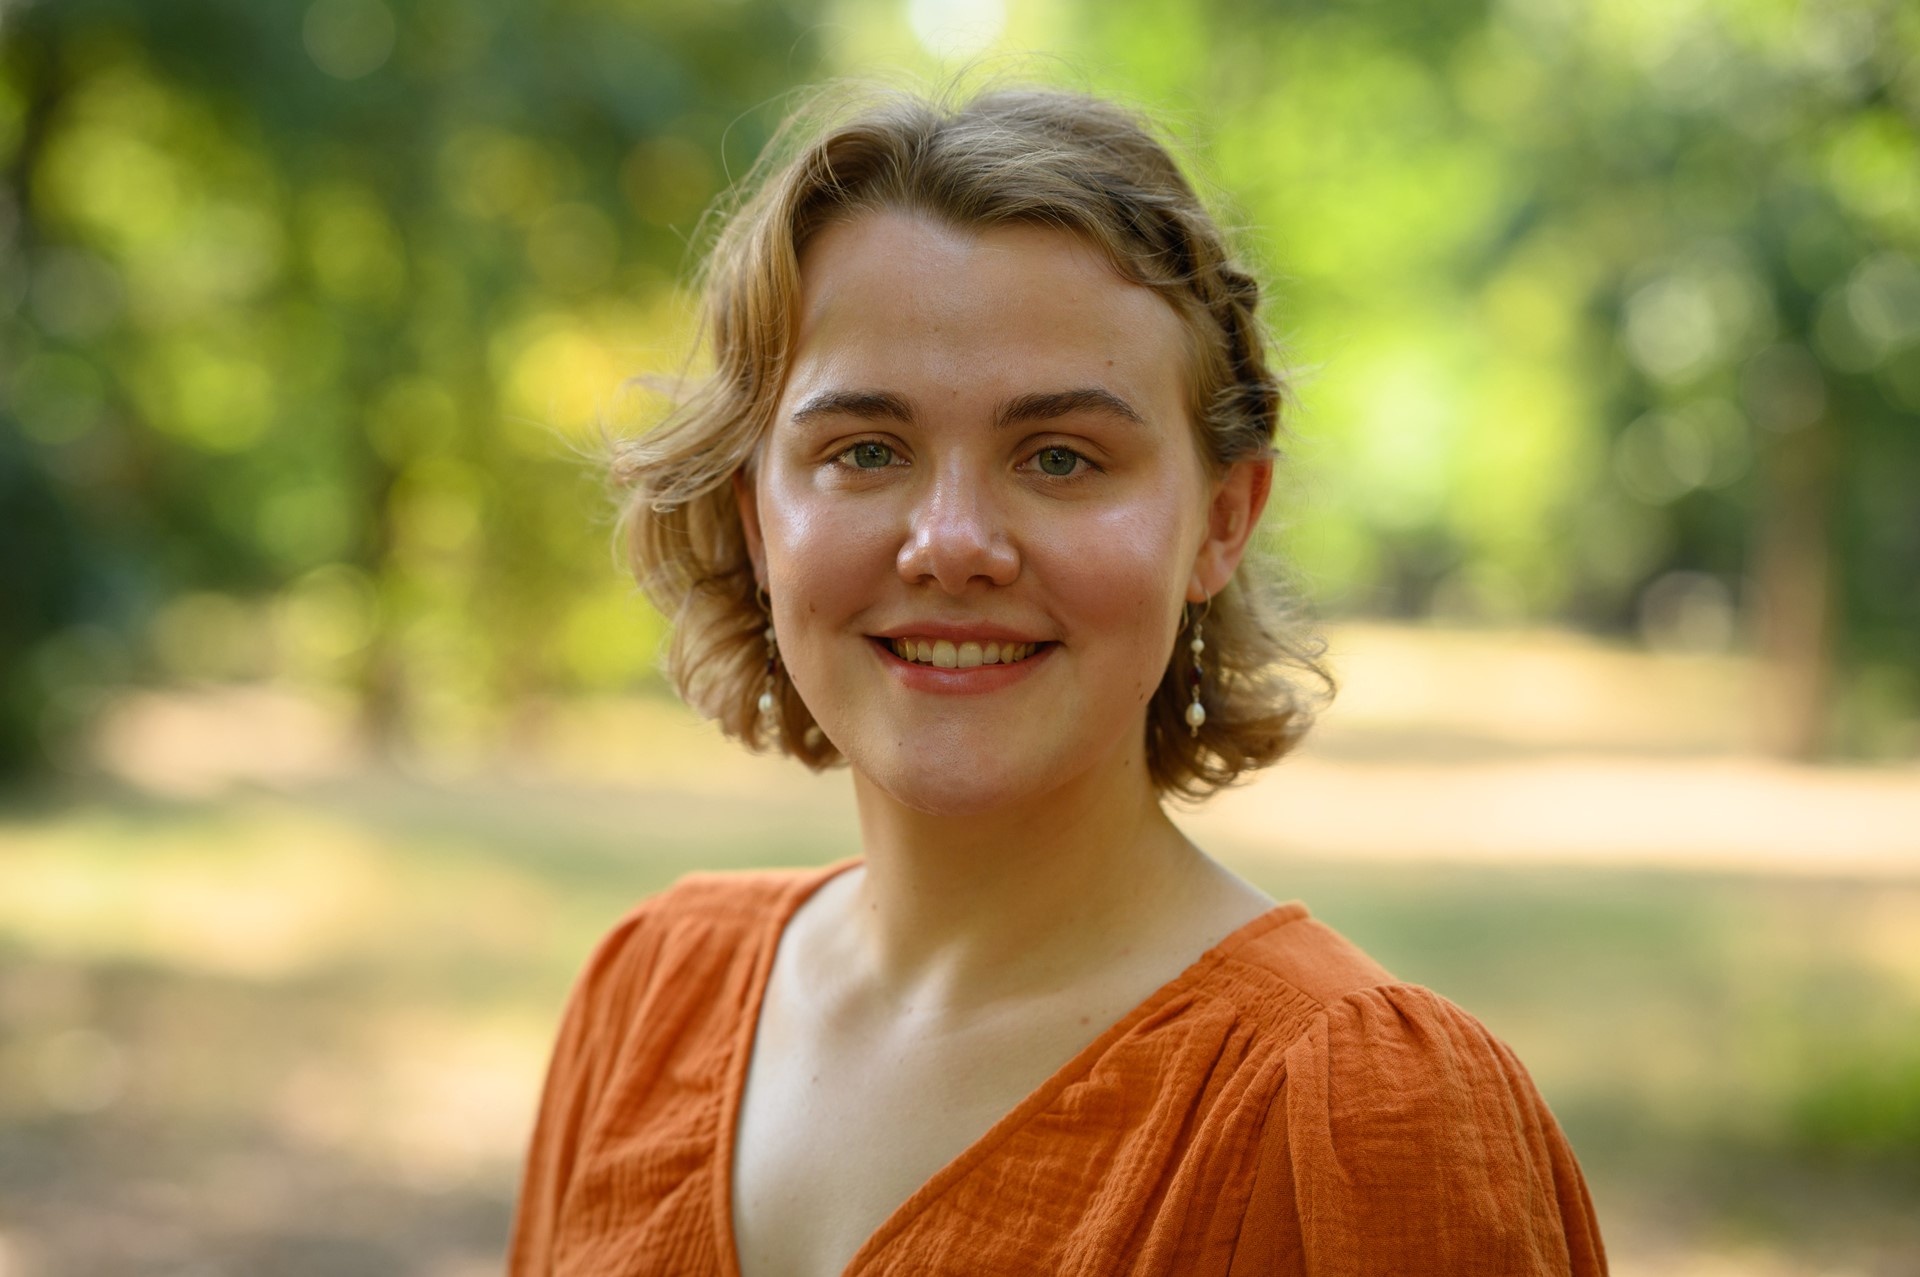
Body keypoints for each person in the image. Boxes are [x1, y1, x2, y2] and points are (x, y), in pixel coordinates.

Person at [508, 83, 1607, 1276]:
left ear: (1221, 521)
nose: (952, 542)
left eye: (1062, 457)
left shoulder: (1360, 1113)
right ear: (757, 519)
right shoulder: (651, 999)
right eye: (866, 449)